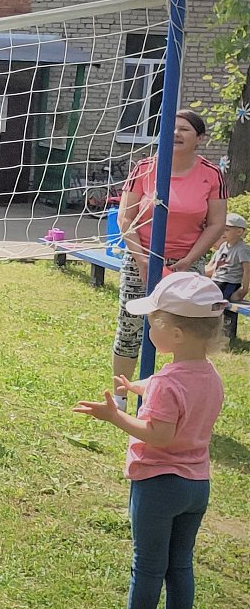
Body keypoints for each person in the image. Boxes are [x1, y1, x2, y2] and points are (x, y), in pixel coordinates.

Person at [74, 272, 225, 609]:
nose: (148, 327)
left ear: (175, 334)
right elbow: (172, 391)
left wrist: (115, 417)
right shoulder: (208, 376)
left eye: (154, 321)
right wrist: (139, 388)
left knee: (148, 564)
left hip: (158, 485)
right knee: (180, 562)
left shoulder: (167, 384)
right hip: (196, 485)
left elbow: (159, 433)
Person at [113, 108, 227, 410]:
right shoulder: (144, 168)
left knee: (186, 331)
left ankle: (180, 395)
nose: (176, 134)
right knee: (131, 327)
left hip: (187, 263)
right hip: (141, 257)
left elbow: (217, 223)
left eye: (184, 129)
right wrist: (142, 259)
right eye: (171, 128)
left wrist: (189, 260)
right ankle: (121, 395)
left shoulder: (211, 174)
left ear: (199, 138)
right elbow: (125, 218)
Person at [203, 211, 249, 340]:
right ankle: (211, 332)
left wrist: (244, 289)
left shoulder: (242, 249)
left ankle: (228, 334)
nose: (223, 232)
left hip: (230, 282)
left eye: (227, 230)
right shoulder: (223, 246)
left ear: (239, 232)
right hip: (217, 280)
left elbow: (247, 270)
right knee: (211, 305)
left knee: (226, 306)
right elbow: (213, 267)